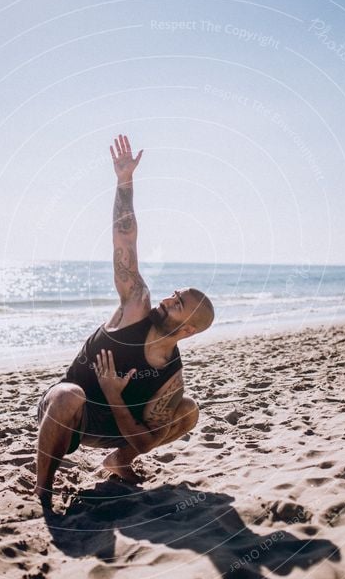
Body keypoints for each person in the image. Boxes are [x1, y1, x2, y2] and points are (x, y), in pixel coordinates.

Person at [35, 134, 215, 507]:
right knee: (70, 394)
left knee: (187, 412)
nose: (168, 298)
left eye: (178, 302)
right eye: (174, 293)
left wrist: (116, 396)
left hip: (111, 426)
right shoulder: (136, 306)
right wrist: (124, 181)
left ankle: (116, 462)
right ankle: (44, 487)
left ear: (188, 330)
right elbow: (125, 242)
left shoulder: (171, 376)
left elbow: (147, 441)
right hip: (69, 412)